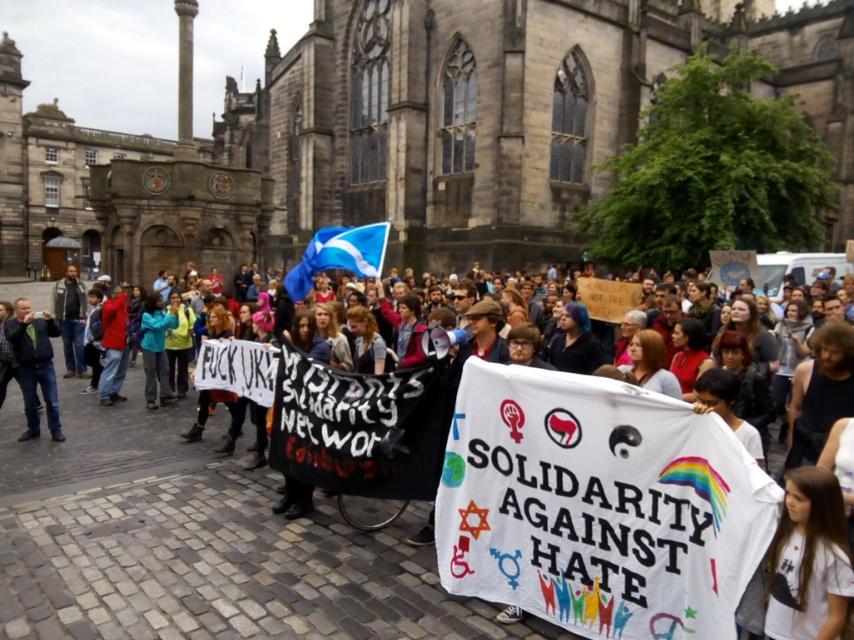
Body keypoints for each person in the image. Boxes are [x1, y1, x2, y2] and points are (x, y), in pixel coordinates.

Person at [764, 467, 853, 640]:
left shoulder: (834, 556)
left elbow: (837, 618)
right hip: (774, 632)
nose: (789, 501)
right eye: (788, 493)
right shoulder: (785, 535)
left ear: (822, 504)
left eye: (799, 498)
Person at [787, 323, 854, 468]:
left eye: (835, 352)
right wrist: (791, 439)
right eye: (824, 350)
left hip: (842, 451)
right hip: (804, 446)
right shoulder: (805, 370)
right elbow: (796, 407)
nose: (827, 356)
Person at [4, 298, 65, 442]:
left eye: (28, 307)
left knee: (52, 402)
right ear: (16, 310)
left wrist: (50, 321)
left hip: (46, 366)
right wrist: (24, 324)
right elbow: (12, 338)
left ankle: (56, 430)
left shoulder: (39, 321)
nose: (27, 311)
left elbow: (56, 333)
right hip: (26, 368)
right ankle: (33, 430)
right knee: (30, 403)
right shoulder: (10, 324)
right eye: (23, 308)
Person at [181, 307, 238, 442]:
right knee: (204, 399)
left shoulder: (227, 334)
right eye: (210, 317)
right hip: (210, 375)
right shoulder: (210, 332)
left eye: (214, 317)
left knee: (229, 401)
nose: (211, 319)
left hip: (222, 375)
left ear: (221, 319)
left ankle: (237, 425)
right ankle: (198, 429)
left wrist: (228, 343)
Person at [693, 368, 764, 468]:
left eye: (712, 403)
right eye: (701, 401)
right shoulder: (694, 424)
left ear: (731, 401)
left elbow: (757, 475)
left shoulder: (749, 434)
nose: (705, 407)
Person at [718, 331, 775, 454]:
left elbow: (770, 412)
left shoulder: (754, 378)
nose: (730, 357)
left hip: (748, 437)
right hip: (722, 433)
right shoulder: (717, 376)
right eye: (726, 352)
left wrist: (746, 425)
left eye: (735, 352)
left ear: (743, 354)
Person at [772, 299, 813, 437]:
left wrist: (796, 340)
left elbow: (804, 352)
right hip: (782, 369)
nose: (791, 313)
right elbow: (774, 349)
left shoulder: (809, 327)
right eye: (789, 310)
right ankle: (786, 423)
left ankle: (792, 432)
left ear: (801, 312)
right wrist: (775, 338)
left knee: (794, 405)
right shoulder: (781, 324)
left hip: (798, 370)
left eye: (794, 310)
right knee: (777, 403)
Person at [714, 298, 779, 379]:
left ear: (751, 314)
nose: (736, 311)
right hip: (724, 379)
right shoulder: (723, 330)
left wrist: (747, 370)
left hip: (752, 383)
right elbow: (715, 355)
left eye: (741, 309)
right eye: (733, 309)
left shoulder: (763, 335)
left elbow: (775, 365)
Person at [140, 293, 179, 410]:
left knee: (165, 371)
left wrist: (175, 315)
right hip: (149, 347)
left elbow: (173, 325)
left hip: (161, 346)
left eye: (162, 300)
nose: (162, 303)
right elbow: (157, 326)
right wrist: (170, 314)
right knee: (151, 372)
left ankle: (165, 396)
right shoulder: (146, 315)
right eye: (159, 301)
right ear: (152, 303)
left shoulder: (162, 313)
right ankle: (150, 399)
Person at [618, 329, 682, 399]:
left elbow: (676, 406)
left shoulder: (667, 378)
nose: (632, 349)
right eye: (631, 344)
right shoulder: (621, 370)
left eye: (638, 345)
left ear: (652, 348)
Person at [544, 301, 604, 375]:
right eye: (562, 315)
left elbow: (595, 372)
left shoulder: (591, 344)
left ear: (579, 319)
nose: (562, 318)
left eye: (568, 316)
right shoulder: (557, 340)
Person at [53, 263, 89, 379]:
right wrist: (54, 316)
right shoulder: (59, 285)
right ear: (66, 273)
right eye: (71, 271)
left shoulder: (81, 284)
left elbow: (86, 300)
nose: (73, 273)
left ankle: (82, 370)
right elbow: (54, 300)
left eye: (75, 271)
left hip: (79, 320)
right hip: (63, 320)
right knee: (67, 345)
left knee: (79, 345)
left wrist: (86, 315)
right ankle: (71, 369)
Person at [99, 284, 130, 406]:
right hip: (113, 342)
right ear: (113, 294)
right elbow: (112, 310)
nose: (122, 295)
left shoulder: (122, 306)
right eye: (119, 292)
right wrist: (122, 297)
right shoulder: (108, 305)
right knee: (111, 369)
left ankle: (114, 392)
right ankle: (104, 394)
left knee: (121, 370)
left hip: (124, 341)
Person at [670, 317, 714, 401]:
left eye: (676, 333)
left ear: (687, 337)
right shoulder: (677, 356)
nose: (672, 336)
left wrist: (670, 397)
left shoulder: (706, 362)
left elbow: (697, 395)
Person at [165, 290, 196, 400]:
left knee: (183, 368)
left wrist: (191, 329)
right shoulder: (166, 310)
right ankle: (170, 388)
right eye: (173, 298)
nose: (175, 300)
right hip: (169, 344)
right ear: (169, 299)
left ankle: (182, 389)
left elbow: (193, 323)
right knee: (169, 368)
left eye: (177, 297)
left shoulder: (187, 310)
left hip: (184, 344)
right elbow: (163, 324)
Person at [347, 305, 388, 375]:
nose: (352, 330)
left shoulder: (378, 343)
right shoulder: (359, 340)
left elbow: (378, 374)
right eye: (351, 327)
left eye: (354, 326)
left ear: (365, 322)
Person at [315, 303, 353, 371]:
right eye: (319, 314)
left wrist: (336, 366)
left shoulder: (340, 339)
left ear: (331, 318)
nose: (323, 318)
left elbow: (349, 366)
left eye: (326, 314)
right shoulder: (310, 337)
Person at [81, 288, 105, 397]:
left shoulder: (101, 309)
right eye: (89, 297)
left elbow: (101, 325)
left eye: (93, 297)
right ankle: (101, 373)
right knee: (89, 360)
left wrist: (96, 337)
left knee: (94, 363)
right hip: (89, 340)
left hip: (96, 341)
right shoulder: (93, 309)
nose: (90, 299)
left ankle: (94, 385)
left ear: (99, 298)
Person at [651, 294, 684, 365]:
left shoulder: (688, 325)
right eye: (665, 312)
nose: (668, 315)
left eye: (672, 312)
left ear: (680, 310)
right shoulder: (658, 322)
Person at [127, 285, 146, 367]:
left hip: (138, 323)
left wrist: (131, 316)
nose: (135, 292)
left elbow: (140, 314)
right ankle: (132, 359)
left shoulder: (143, 302)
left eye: (137, 290)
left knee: (136, 342)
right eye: (134, 290)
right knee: (132, 341)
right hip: (132, 322)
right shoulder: (133, 300)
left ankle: (133, 360)